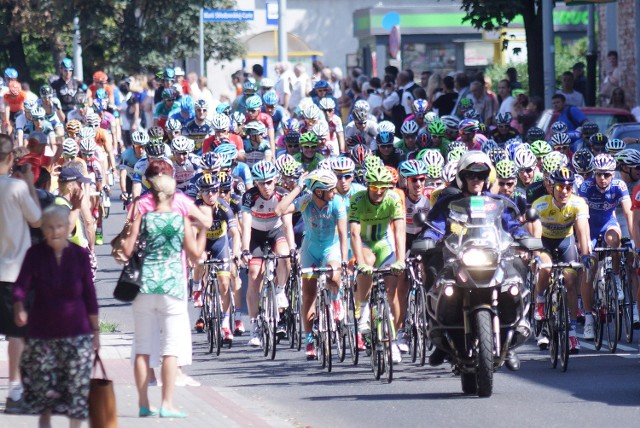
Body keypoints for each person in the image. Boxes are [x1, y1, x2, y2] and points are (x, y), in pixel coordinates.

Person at [122, 172, 208, 419]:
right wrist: (201, 230)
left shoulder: (144, 217)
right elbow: (195, 255)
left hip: (145, 286)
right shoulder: (180, 221)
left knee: (142, 347)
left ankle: (142, 403)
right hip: (172, 287)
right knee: (171, 349)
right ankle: (167, 403)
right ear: (172, 195)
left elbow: (128, 250)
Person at [12, 205, 99, 427]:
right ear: (43, 229)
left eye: (59, 226)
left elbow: (90, 294)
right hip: (43, 333)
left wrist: (96, 331)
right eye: (49, 227)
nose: (55, 231)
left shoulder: (79, 255)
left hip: (77, 332)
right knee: (44, 392)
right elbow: (21, 285)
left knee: (77, 389)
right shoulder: (35, 254)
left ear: (67, 228)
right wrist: (19, 307)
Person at [275, 169, 348, 360]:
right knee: (309, 296)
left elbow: (342, 234)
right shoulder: (306, 200)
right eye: (330, 189)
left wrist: (345, 260)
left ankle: (335, 298)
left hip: (330, 248)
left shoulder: (337, 203)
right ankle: (309, 339)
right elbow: (280, 210)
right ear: (318, 191)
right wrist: (299, 187)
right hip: (310, 249)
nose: (334, 192)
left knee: (334, 274)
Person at [0, 134, 42, 411]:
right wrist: (29, 182)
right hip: (15, 271)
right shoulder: (16, 188)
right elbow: (38, 218)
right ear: (11, 158)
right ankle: (16, 389)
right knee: (17, 332)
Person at [532, 167, 591, 353]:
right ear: (552, 188)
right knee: (546, 267)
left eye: (568, 187)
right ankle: (541, 300)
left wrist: (586, 255)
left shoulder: (578, 203)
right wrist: (535, 256)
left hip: (566, 242)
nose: (564, 191)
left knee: (570, 281)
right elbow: (535, 233)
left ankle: (572, 332)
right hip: (545, 242)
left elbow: (582, 230)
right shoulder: (540, 204)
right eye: (560, 187)